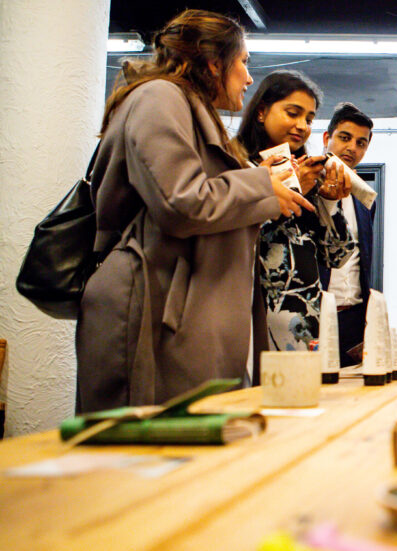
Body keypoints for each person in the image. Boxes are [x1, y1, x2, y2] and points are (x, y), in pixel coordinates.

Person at [76, 10, 312, 412]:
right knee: (145, 459)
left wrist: (261, 184)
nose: (249, 77)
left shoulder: (186, 106)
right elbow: (180, 202)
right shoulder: (158, 97)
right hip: (153, 307)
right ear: (213, 61)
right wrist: (260, 185)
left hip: (181, 309)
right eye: (243, 62)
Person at [234, 70, 355, 353]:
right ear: (261, 112)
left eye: (309, 119)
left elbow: (338, 256)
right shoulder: (237, 167)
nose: (302, 125)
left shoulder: (309, 174)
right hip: (253, 315)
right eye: (293, 113)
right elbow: (231, 235)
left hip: (305, 322)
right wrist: (287, 189)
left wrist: (329, 202)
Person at [320, 103, 376, 366]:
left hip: (353, 317)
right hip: (314, 315)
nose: (352, 148)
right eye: (345, 138)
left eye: (361, 143)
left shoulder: (365, 199)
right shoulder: (304, 185)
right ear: (326, 138)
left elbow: (362, 262)